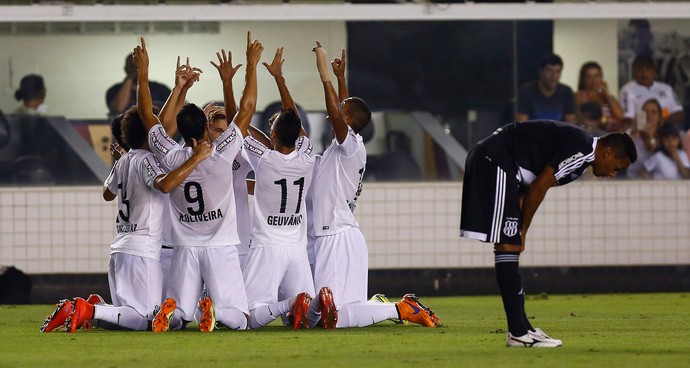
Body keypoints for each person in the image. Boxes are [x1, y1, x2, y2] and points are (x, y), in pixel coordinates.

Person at [459, 120, 637, 347]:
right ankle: (517, 332)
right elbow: (539, 187)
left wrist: (519, 227)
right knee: (508, 244)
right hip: (494, 161)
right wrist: (522, 230)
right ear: (608, 152)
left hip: (499, 163)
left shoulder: (581, 154)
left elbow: (528, 182)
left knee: (509, 243)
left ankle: (523, 329)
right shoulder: (582, 150)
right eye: (617, 168)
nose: (613, 174)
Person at [305, 41, 441, 329]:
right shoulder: (343, 147)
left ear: (349, 120)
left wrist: (325, 76)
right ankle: (382, 306)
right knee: (332, 313)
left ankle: (401, 308)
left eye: (340, 110)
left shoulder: (351, 145)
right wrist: (342, 80)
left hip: (336, 238)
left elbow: (341, 113)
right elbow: (345, 112)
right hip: (343, 235)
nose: (332, 113)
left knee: (333, 318)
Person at [41, 106, 212, 333]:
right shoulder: (146, 160)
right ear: (149, 134)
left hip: (120, 247)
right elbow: (164, 185)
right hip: (142, 248)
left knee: (129, 315)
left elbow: (107, 192)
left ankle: (95, 308)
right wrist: (197, 158)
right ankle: (86, 309)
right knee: (146, 319)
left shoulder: (124, 160)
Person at [141, 34, 261, 333]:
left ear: (179, 131)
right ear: (208, 127)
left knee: (179, 315)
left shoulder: (168, 154)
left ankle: (180, 312)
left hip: (184, 247)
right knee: (241, 318)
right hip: (220, 246)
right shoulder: (222, 154)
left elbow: (148, 116)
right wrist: (252, 66)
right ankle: (216, 313)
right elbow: (246, 110)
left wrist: (145, 73)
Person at [240, 47, 317, 330]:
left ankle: (288, 304)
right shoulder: (307, 155)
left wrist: (250, 69)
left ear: (272, 134)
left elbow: (241, 124)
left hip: (267, 246)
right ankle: (306, 303)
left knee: (247, 316)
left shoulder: (265, 160)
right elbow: (295, 123)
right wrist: (279, 78)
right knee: (307, 318)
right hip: (297, 247)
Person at [620, 56, 685, 127]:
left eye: (647, 69)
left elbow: (679, 113)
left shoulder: (666, 88)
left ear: (654, 71)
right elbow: (627, 118)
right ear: (634, 72)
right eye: (639, 70)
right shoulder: (627, 90)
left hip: (666, 129)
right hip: (641, 131)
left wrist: (661, 120)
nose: (644, 73)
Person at [106, 53, 171, 119]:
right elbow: (118, 108)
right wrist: (129, 78)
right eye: (132, 66)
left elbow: (172, 110)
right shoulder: (114, 90)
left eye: (138, 66)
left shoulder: (160, 89)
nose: (136, 69)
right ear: (126, 68)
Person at [516, 53, 576, 123]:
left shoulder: (566, 92)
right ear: (541, 72)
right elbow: (522, 124)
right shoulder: (526, 91)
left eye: (557, 71)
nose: (554, 76)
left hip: (559, 133)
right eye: (549, 71)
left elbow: (570, 124)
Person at [575, 61, 625, 132]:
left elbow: (621, 116)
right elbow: (583, 117)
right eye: (589, 76)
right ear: (583, 79)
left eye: (596, 76)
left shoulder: (606, 96)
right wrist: (603, 121)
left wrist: (607, 93)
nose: (593, 80)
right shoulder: (578, 95)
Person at [627, 98, 664, 178]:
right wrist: (635, 130)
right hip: (632, 180)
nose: (649, 115)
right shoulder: (633, 133)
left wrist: (650, 137)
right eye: (645, 112)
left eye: (653, 112)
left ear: (660, 117)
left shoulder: (664, 135)